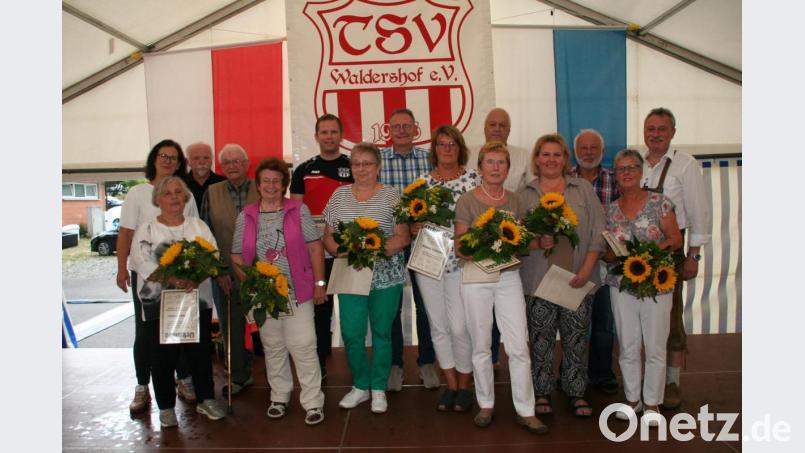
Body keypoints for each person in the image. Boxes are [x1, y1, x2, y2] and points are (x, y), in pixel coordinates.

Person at [454, 142, 547, 434]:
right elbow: (460, 248)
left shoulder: (516, 201)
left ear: (508, 168)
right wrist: (489, 248)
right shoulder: (467, 201)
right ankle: (486, 404)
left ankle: (526, 409)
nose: (495, 168)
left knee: (519, 344)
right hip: (476, 276)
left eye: (501, 163)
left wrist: (539, 240)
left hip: (508, 277)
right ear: (479, 167)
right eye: (490, 162)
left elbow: (523, 243)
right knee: (481, 344)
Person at [231, 157, 327, 425]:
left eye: (277, 180)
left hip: (297, 291)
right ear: (258, 186)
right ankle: (279, 397)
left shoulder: (299, 210)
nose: (272, 185)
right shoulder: (246, 215)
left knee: (304, 346)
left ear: (284, 184)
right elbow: (237, 254)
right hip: (264, 295)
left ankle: (313, 402)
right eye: (266, 181)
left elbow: (315, 247)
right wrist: (250, 282)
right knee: (273, 347)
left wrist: (320, 283)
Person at [518, 133, 606, 418]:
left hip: (577, 278)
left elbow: (598, 234)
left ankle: (575, 390)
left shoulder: (583, 190)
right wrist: (536, 241)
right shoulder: (525, 194)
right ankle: (542, 391)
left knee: (576, 338)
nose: (551, 160)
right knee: (541, 337)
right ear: (537, 159)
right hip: (538, 280)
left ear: (565, 160)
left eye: (557, 154)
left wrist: (586, 271)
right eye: (546, 154)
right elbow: (517, 238)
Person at [129, 176, 227, 428]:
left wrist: (197, 277)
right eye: (168, 193)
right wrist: (171, 279)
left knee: (199, 352)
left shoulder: (198, 226)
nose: (173, 197)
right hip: (158, 303)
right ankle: (166, 407)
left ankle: (206, 399)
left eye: (178, 193)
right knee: (162, 356)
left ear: (185, 198)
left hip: (197, 299)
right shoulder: (148, 229)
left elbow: (212, 254)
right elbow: (141, 261)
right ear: (157, 199)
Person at [322, 143, 411, 414]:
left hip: (386, 275)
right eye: (356, 164)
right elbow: (328, 237)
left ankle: (379, 387)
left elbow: (403, 236)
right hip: (351, 273)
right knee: (351, 333)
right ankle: (360, 385)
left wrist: (372, 249)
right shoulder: (338, 196)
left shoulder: (392, 196)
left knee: (383, 332)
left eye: (367, 163)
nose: (361, 169)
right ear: (351, 168)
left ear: (378, 166)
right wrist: (347, 250)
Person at [116, 139, 198, 414]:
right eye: (163, 155)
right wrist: (120, 268)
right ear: (153, 159)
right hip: (147, 276)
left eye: (174, 158)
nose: (168, 161)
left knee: (181, 329)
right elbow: (126, 233)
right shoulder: (138, 193)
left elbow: (196, 234)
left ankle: (183, 379)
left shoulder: (185, 195)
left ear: (179, 164)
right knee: (146, 333)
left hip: (181, 275)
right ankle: (142, 386)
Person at [604, 149, 683, 426]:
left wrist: (648, 253)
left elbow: (675, 239)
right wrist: (613, 255)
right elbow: (607, 252)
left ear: (641, 172)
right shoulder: (610, 210)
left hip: (657, 285)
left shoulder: (660, 202)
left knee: (655, 346)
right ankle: (632, 400)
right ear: (615, 175)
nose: (626, 173)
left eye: (631, 168)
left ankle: (652, 403)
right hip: (621, 285)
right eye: (620, 169)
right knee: (627, 345)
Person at [641, 108, 712, 409]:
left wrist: (693, 256)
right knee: (641, 317)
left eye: (662, 128)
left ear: (673, 132)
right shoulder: (636, 163)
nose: (655, 133)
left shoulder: (685, 165)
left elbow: (699, 211)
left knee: (670, 317)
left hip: (671, 250)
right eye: (651, 128)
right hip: (637, 251)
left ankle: (671, 382)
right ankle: (647, 379)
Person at [412, 125, 480, 412]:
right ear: (435, 150)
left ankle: (466, 384)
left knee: (460, 326)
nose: (447, 148)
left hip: (461, 263)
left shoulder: (474, 181)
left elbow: (483, 219)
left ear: (460, 148)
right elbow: (410, 218)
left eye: (452, 143)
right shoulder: (421, 183)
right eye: (442, 144)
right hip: (428, 261)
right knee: (438, 326)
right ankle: (451, 385)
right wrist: (413, 225)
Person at [379, 108, 439, 391]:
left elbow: (440, 199)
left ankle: (427, 361)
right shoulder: (378, 161)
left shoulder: (430, 159)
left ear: (416, 129)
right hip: (392, 243)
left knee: (425, 304)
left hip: (424, 241)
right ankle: (395, 365)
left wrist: (422, 221)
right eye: (396, 126)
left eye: (406, 126)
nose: (401, 131)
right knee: (392, 305)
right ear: (387, 130)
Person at [290, 114, 353, 380]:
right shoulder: (303, 170)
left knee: (351, 309)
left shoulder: (353, 167)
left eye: (333, 132)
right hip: (315, 252)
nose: (328, 136)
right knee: (320, 308)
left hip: (348, 250)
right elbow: (294, 213)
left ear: (341, 136)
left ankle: (356, 364)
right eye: (324, 132)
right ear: (316, 136)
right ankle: (320, 364)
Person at [469, 107, 530, 363]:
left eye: (502, 125)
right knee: (482, 318)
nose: (496, 129)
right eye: (492, 124)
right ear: (484, 127)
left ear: (509, 130)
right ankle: (489, 360)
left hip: (511, 246)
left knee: (511, 313)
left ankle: (511, 361)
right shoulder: (470, 154)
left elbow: (528, 197)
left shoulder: (524, 156)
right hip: (477, 246)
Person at [201, 144, 260, 396]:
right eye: (227, 162)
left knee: (269, 325)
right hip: (225, 272)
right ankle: (238, 376)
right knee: (231, 326)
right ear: (221, 167)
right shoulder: (211, 192)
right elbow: (206, 235)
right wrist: (218, 270)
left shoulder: (263, 187)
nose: (232, 166)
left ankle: (277, 377)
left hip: (262, 272)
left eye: (237, 161)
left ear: (247, 164)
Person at [570, 129, 620, 395]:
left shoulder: (616, 178)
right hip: (573, 262)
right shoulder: (564, 178)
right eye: (583, 147)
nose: (588, 152)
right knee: (572, 324)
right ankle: (571, 374)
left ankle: (601, 374)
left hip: (606, 261)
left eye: (593, 148)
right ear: (575, 150)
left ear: (601, 151)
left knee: (603, 323)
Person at [183, 142, 226, 212]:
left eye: (206, 158)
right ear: (188, 162)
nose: (202, 162)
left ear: (212, 160)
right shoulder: (179, 184)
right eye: (196, 158)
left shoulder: (224, 184)